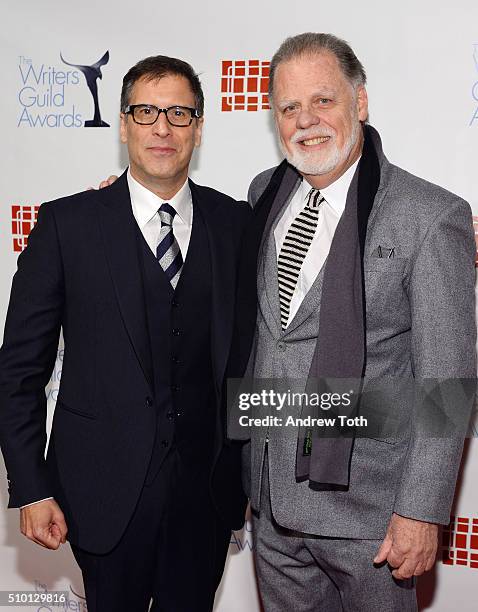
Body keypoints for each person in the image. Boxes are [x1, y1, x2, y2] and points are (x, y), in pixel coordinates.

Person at [227, 33, 476, 611]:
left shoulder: (429, 217)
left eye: (324, 101)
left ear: (359, 103)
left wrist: (419, 510)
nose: (305, 121)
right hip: (271, 506)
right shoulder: (263, 194)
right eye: (288, 107)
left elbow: (447, 382)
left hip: (372, 516)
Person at [0, 55, 249, 612]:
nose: (162, 127)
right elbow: (19, 373)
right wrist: (32, 485)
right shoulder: (67, 225)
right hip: (100, 497)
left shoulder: (235, 224)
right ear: (123, 123)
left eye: (179, 113)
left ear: (200, 127)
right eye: (146, 111)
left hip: (204, 500)